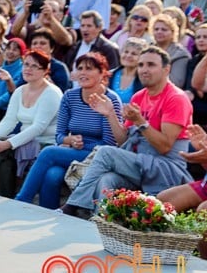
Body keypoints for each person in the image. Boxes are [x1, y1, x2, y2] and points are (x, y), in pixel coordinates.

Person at [61, 46, 193, 218]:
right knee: (107, 179)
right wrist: (110, 115)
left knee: (105, 152)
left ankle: (73, 204)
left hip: (166, 168)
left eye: (151, 65)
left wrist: (141, 122)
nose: (144, 70)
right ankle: (102, 222)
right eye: (141, 65)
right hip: (140, 163)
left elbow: (165, 147)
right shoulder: (139, 96)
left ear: (166, 69)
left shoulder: (176, 98)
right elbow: (123, 141)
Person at [15, 53, 122, 209]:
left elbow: (109, 143)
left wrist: (81, 145)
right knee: (53, 175)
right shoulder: (70, 97)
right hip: (73, 151)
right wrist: (69, 140)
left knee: (48, 153)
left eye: (89, 69)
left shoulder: (110, 100)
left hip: (98, 156)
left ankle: (22, 200)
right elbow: (59, 135)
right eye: (80, 68)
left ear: (102, 74)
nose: (83, 73)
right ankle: (46, 213)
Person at [0, 49, 62, 197]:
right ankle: (2, 195)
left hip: (44, 143)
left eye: (34, 66)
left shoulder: (52, 93)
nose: (28, 69)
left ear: (45, 70)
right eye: (26, 65)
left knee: (3, 147)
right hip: (24, 141)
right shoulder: (19, 91)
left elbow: (38, 127)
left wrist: (7, 143)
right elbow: (9, 120)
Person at [109, 37, 145, 105]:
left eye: (134, 54)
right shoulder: (109, 75)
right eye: (126, 52)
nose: (128, 55)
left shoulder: (144, 80)